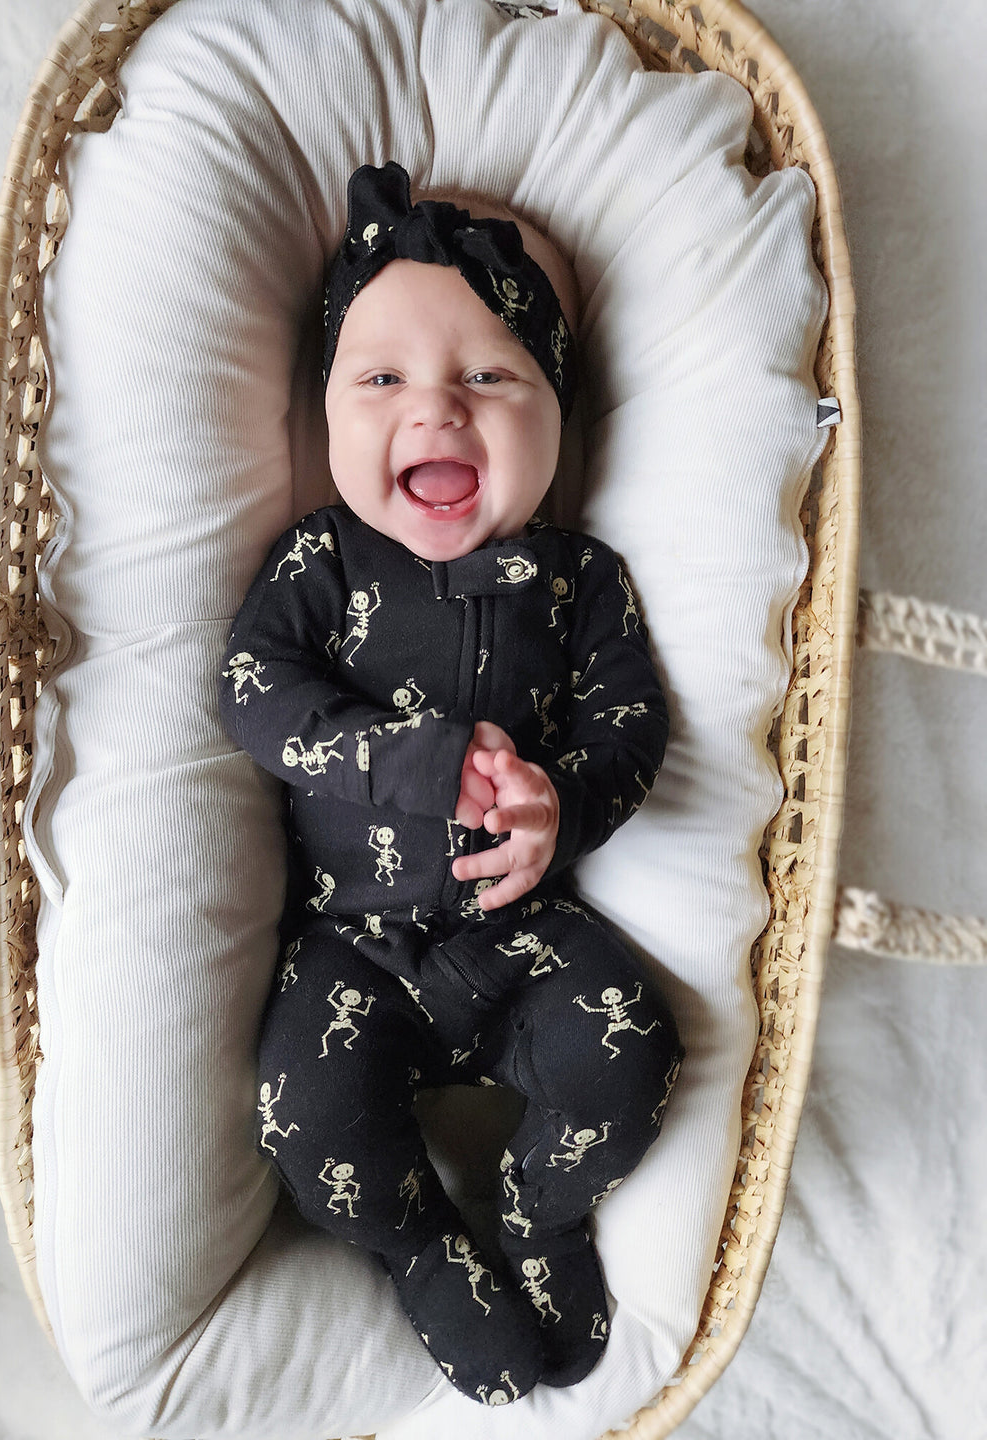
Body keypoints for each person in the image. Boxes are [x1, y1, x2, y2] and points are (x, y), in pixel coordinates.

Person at [219, 162, 682, 1406]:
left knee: (633, 1056)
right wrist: (402, 757)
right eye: (382, 381)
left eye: (488, 375)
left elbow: (630, 728)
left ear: (558, 416)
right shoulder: (320, 560)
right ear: (327, 414)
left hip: (519, 935)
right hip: (351, 949)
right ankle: (427, 1253)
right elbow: (252, 692)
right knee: (306, 1114)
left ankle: (539, 1209)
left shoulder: (582, 581)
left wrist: (556, 807)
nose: (434, 412)